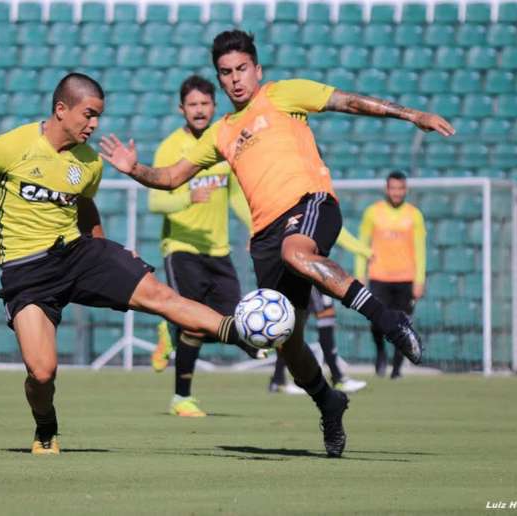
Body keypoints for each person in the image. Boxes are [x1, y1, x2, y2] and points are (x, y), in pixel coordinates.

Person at [99, 30, 454, 457]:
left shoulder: (283, 95)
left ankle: (389, 319)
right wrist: (134, 167)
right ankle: (328, 401)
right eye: (226, 73)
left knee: (296, 251)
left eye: (242, 70)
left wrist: (412, 114)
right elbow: (172, 176)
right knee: (287, 340)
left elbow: (350, 102)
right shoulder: (222, 132)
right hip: (265, 237)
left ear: (257, 70)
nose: (234, 80)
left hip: (312, 203)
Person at [0, 73, 253, 456]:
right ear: (61, 109)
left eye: (99, 116)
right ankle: (45, 426)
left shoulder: (89, 163)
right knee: (42, 373)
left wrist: (108, 257)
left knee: (158, 294)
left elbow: (84, 205)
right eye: (89, 115)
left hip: (77, 253)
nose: (95, 125)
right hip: (27, 270)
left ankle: (237, 331)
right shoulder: (13, 146)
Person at [147, 75, 254, 418]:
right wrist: (187, 198)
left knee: (230, 322)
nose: (199, 110)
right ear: (182, 109)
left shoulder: (223, 142)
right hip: (181, 248)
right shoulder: (170, 147)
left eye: (204, 104)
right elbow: (155, 202)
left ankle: (171, 327)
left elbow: (236, 196)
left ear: (214, 106)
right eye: (192, 104)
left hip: (218, 250)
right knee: (196, 322)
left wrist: (257, 228)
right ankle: (182, 399)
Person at [269, 228, 372, 395]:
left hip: (301, 269)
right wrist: (363, 250)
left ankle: (278, 379)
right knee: (323, 318)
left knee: (292, 328)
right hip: (310, 271)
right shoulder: (313, 210)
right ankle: (338, 379)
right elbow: (340, 232)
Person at [356, 171, 427, 379]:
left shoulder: (414, 215)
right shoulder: (372, 213)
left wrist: (419, 280)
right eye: (393, 188)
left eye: (400, 188)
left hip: (406, 277)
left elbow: (420, 249)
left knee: (403, 324)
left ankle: (397, 368)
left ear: (405, 190)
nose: (397, 192)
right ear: (387, 189)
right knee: (377, 321)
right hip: (379, 276)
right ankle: (380, 353)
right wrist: (360, 274)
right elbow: (362, 244)